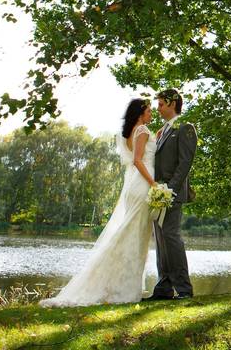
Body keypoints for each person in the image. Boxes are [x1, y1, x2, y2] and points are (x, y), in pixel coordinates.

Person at [39, 98, 159, 306]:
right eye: (149, 111)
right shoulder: (142, 131)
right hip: (143, 184)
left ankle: (120, 285)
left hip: (135, 185)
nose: (151, 114)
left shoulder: (132, 132)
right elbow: (138, 160)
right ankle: (123, 289)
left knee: (133, 234)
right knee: (135, 235)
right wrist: (154, 184)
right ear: (141, 112)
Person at [145, 88, 197, 301]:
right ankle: (164, 288)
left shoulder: (185, 128)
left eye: (160, 105)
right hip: (159, 194)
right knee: (161, 239)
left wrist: (170, 190)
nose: (157, 109)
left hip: (172, 194)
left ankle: (184, 289)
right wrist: (157, 190)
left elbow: (185, 163)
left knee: (171, 237)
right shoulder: (162, 131)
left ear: (172, 103)